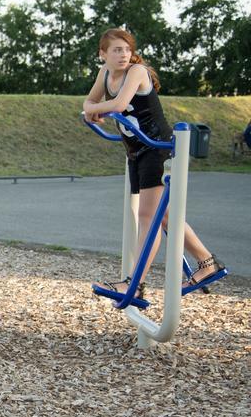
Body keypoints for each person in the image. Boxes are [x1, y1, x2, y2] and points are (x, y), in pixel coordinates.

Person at [82, 28, 226, 299]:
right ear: (103, 54)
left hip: (156, 148)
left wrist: (92, 110)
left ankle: (134, 285)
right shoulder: (104, 74)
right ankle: (208, 263)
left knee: (148, 217)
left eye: (127, 49)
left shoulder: (137, 72)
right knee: (165, 214)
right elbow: (90, 99)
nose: (124, 55)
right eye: (116, 50)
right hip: (136, 150)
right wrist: (91, 107)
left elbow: (118, 103)